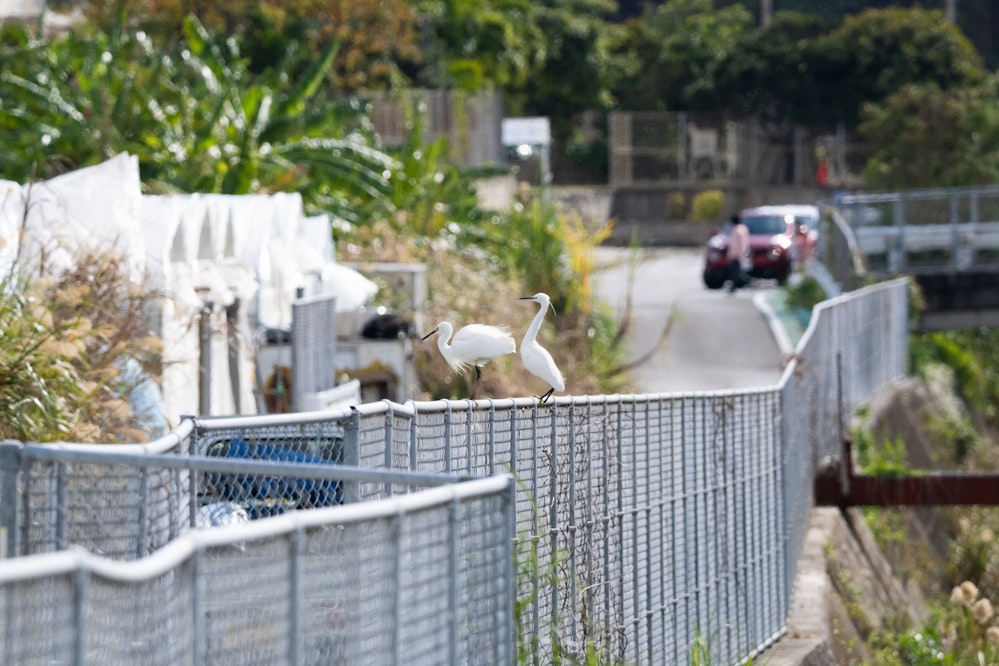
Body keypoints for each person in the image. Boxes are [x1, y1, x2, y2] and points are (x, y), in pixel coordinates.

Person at [726, 214, 750, 293]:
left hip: (736, 255)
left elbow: (737, 244)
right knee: (737, 271)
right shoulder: (743, 229)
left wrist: (737, 255)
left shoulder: (737, 230)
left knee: (735, 272)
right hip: (740, 254)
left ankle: (736, 285)